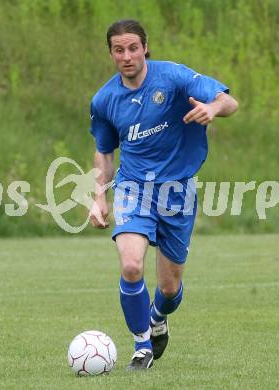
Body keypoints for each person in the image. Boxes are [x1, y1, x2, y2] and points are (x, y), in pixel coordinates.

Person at [89, 19, 238, 370]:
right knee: (130, 264)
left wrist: (213, 109)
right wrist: (99, 196)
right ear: (111, 53)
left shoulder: (172, 77)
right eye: (118, 50)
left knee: (170, 289)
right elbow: (105, 152)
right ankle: (142, 346)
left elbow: (228, 100)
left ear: (145, 48)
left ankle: (157, 317)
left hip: (177, 191)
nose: (126, 56)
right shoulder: (105, 100)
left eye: (133, 48)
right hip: (133, 188)